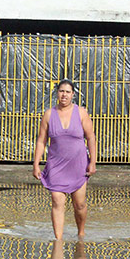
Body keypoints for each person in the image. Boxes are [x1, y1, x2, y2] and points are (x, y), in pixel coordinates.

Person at [32, 79, 97, 240]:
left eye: (68, 92)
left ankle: (81, 233)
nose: (64, 95)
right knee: (57, 201)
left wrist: (93, 162)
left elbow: (91, 138)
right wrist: (36, 164)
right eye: (61, 91)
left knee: (79, 205)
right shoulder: (49, 114)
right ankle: (58, 240)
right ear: (57, 93)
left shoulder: (81, 113)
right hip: (56, 165)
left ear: (73, 95)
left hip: (78, 165)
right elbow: (41, 141)